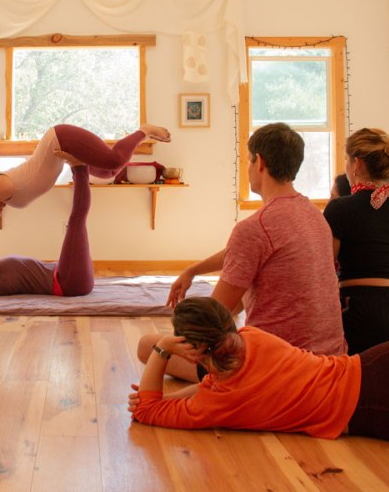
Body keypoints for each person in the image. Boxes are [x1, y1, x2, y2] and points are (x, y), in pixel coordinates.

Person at [128, 297, 389, 447]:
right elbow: (215, 380)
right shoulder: (253, 336)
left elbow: (147, 410)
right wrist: (177, 389)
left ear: (192, 349)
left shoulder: (218, 403)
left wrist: (163, 350)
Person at [138, 123, 345, 381]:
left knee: (148, 345)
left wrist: (176, 340)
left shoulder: (255, 227)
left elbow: (211, 316)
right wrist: (194, 270)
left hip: (279, 370)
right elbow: (244, 254)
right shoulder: (315, 217)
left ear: (260, 162)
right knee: (246, 291)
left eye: (248, 160)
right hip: (331, 362)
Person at [0, 123, 171, 229]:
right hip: (63, 152)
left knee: (114, 160)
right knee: (109, 172)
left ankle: (145, 131)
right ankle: (141, 134)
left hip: (61, 139)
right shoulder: (3, 195)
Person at [324, 128, 389, 354]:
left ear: (357, 163)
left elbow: (325, 269)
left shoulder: (339, 209)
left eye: (347, 160)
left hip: (365, 312)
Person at [0, 153, 94, 297]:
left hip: (67, 276)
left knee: (77, 222)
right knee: (76, 220)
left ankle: (80, 167)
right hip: (67, 282)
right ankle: (79, 167)